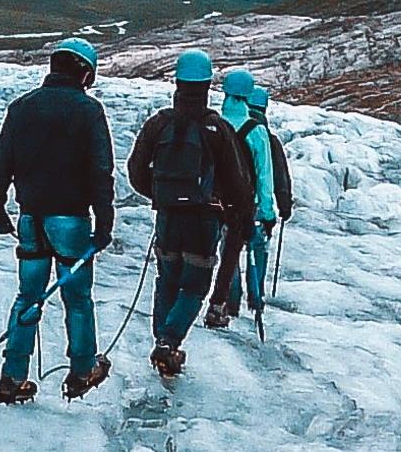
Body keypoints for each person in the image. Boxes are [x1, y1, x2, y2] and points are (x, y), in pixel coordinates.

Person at [0, 36, 116, 403]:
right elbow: (100, 171)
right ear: (85, 73)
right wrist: (104, 221)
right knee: (77, 299)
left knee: (28, 297)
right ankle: (81, 370)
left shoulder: (21, 107)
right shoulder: (89, 112)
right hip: (71, 221)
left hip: (30, 220)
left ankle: (12, 377)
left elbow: (0, 164)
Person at [125, 49, 253, 380]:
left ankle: (162, 338)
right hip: (202, 219)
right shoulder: (217, 129)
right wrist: (239, 216)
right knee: (194, 286)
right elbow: (236, 182)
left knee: (167, 278)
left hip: (167, 216)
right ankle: (168, 343)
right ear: (207, 84)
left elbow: (136, 170)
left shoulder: (159, 124)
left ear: (178, 83)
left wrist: (160, 196)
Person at [207, 67, 291, 330]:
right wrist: (268, 213)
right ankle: (256, 298)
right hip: (248, 204)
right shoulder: (257, 132)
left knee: (226, 252)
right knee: (257, 248)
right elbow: (265, 177)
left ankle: (229, 302)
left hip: (215, 203)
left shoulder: (214, 124)